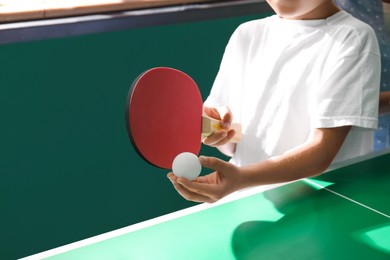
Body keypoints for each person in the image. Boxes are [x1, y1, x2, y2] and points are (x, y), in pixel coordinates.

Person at [167, 0, 381, 203]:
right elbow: (233, 142)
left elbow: (322, 152)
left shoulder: (354, 37)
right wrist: (219, 131)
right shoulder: (246, 34)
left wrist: (241, 178)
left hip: (322, 204)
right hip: (245, 199)